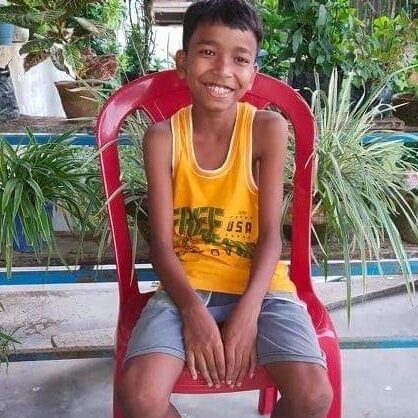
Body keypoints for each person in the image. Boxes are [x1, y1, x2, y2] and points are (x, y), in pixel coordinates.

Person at [119, 1, 333, 417]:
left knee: (313, 395)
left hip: (262, 288)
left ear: (253, 72)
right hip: (187, 285)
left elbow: (272, 236)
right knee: (140, 397)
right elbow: (161, 247)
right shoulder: (162, 138)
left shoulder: (267, 129)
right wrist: (194, 312)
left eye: (240, 58)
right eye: (207, 52)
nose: (222, 70)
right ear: (183, 63)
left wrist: (248, 313)